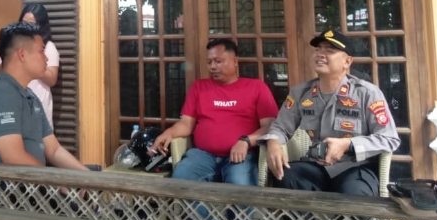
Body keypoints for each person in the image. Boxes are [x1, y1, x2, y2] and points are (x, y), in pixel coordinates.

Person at [260, 29, 401, 196]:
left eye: (330, 50)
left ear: (347, 61)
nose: (320, 54)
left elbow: (389, 139)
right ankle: (302, 216)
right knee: (285, 177)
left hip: (355, 167)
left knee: (354, 193)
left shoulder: (366, 93)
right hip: (316, 165)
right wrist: (273, 143)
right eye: (318, 49)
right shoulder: (301, 93)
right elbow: (281, 127)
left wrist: (348, 144)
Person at [150, 38, 279, 186]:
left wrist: (247, 141)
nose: (212, 66)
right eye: (209, 62)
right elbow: (186, 124)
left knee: (240, 187)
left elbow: (270, 126)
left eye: (218, 61)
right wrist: (169, 133)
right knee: (180, 181)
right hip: (202, 156)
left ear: (235, 62)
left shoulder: (256, 87)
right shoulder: (199, 87)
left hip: (241, 155)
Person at [0, 22, 89, 171]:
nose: (46, 58)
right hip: (2, 184)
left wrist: (87, 176)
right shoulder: (0, 95)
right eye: (41, 51)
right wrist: (52, 180)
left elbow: (54, 150)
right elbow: (14, 157)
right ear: (22, 54)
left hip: (31, 181)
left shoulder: (29, 95)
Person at [18, 3, 59, 127]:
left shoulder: (48, 48)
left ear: (41, 26)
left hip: (39, 109)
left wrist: (34, 64)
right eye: (24, 22)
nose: (26, 27)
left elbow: (52, 79)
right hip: (16, 106)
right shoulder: (13, 43)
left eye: (31, 24)